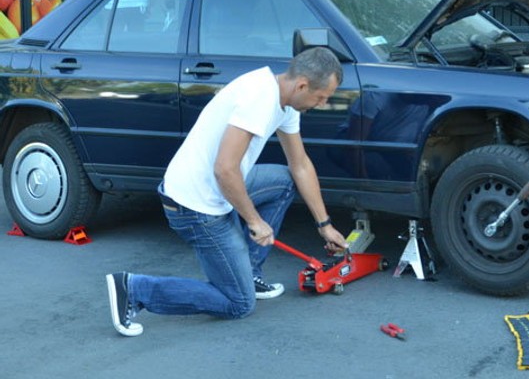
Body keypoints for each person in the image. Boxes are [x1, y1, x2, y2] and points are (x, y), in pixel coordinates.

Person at [105, 47, 348, 337]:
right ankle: (135, 289)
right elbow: (225, 169)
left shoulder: (285, 101)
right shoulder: (259, 99)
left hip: (218, 188)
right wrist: (255, 221)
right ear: (302, 85)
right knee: (238, 303)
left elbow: (301, 165)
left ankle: (248, 272)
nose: (322, 104)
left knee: (284, 181)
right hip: (195, 206)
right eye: (321, 97)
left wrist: (324, 225)